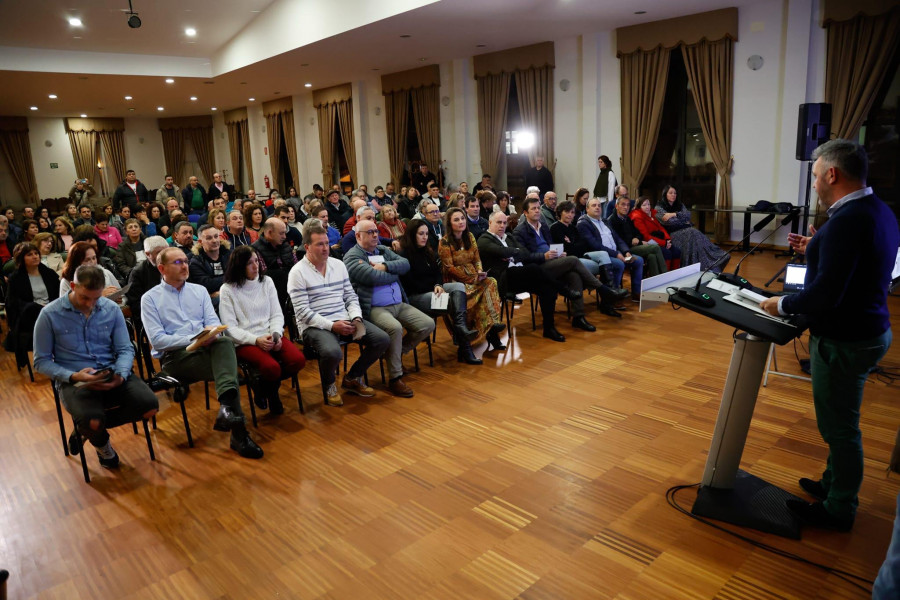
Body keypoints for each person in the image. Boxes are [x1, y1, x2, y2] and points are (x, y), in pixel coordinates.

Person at [759, 139, 898, 531]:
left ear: (832, 174)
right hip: (870, 328)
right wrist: (817, 245)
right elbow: (856, 263)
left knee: (839, 427)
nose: (816, 183)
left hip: (845, 338)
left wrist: (781, 305)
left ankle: (840, 507)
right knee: (842, 420)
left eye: (817, 175)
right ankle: (831, 483)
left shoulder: (847, 220)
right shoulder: (877, 210)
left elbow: (825, 293)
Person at [33, 265, 159, 470]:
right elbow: (41, 361)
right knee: (93, 420)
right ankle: (100, 442)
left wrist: (121, 374)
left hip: (110, 371)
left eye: (96, 298)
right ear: (72, 286)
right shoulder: (49, 314)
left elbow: (126, 349)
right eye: (84, 298)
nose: (90, 304)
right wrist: (73, 376)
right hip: (75, 381)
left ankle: (86, 429)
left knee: (150, 407)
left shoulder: (110, 309)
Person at [142, 247, 263, 459]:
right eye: (177, 263)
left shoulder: (198, 291)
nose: (184, 265)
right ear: (162, 268)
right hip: (175, 359)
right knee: (228, 370)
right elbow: (158, 341)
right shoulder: (150, 299)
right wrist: (197, 338)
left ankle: (230, 414)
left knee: (224, 343)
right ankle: (238, 433)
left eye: (185, 261)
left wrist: (211, 335)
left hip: (206, 350)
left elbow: (213, 323)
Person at [287, 221, 390, 407]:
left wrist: (356, 317)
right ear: (307, 247)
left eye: (327, 243)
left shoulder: (338, 265)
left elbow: (350, 296)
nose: (326, 248)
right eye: (320, 244)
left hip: (344, 318)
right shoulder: (297, 272)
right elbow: (302, 312)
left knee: (382, 339)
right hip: (314, 325)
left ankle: (353, 377)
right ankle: (329, 385)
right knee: (333, 352)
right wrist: (332, 326)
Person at [344, 219, 434, 397]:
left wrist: (385, 266)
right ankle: (395, 378)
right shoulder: (352, 257)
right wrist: (394, 274)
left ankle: (395, 354)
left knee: (427, 323)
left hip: (398, 304)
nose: (375, 235)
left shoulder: (383, 250)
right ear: (358, 236)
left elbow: (405, 264)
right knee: (395, 328)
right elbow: (372, 277)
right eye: (370, 232)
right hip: (375, 308)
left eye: (376, 231)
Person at [219, 245, 306, 415]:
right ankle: (272, 395)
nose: (255, 266)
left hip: (269, 334)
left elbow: (276, 314)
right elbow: (230, 329)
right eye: (249, 263)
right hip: (244, 340)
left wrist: (276, 335)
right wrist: (256, 340)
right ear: (239, 266)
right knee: (271, 368)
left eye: (256, 261)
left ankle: (263, 388)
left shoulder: (266, 281)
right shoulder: (228, 289)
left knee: (298, 360)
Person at [514, 197, 614, 332]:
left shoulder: (543, 227)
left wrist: (557, 253)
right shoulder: (520, 231)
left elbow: (553, 246)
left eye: (538, 208)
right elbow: (524, 257)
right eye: (533, 208)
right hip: (538, 267)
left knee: (574, 275)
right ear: (525, 212)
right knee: (573, 260)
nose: (537, 211)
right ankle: (602, 288)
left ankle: (578, 317)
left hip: (552, 261)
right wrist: (544, 256)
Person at [478, 212, 574, 342]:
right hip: (504, 279)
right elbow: (501, 251)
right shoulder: (484, 239)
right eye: (498, 222)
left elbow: (525, 253)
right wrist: (515, 252)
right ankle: (563, 289)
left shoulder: (509, 237)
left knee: (547, 288)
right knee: (534, 268)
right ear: (490, 223)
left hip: (520, 275)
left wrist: (513, 253)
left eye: (504, 223)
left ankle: (549, 328)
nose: (502, 226)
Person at [399, 219, 480, 364]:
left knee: (458, 287)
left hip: (431, 290)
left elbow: (438, 272)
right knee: (456, 303)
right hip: (416, 297)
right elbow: (410, 283)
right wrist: (433, 286)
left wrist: (438, 284)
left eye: (426, 233)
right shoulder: (404, 255)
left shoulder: (427, 251)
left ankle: (461, 329)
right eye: (420, 234)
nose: (425, 237)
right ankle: (465, 347)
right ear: (412, 235)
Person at [438, 207, 506, 350]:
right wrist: (471, 279)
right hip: (455, 280)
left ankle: (493, 324)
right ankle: (489, 334)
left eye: (462, 218)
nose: (461, 222)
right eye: (456, 219)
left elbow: (477, 259)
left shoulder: (469, 236)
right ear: (450, 223)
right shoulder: (444, 242)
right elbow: (449, 268)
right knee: (476, 292)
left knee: (491, 282)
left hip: (473, 275)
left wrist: (480, 272)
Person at [550, 200, 627, 310]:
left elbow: (582, 246)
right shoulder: (555, 228)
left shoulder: (573, 228)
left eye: (572, 212)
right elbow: (565, 250)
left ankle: (610, 292)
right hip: (569, 261)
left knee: (603, 254)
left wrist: (571, 244)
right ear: (560, 213)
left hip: (581, 256)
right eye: (567, 212)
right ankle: (608, 296)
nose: (570, 215)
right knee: (604, 266)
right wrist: (573, 245)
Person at [578, 197, 645, 301]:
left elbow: (618, 239)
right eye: (593, 205)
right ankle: (613, 296)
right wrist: (616, 254)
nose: (597, 208)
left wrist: (626, 252)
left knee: (638, 260)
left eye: (599, 205)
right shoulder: (583, 223)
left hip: (614, 252)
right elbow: (595, 245)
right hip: (598, 255)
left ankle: (636, 293)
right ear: (587, 209)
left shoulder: (604, 221)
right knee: (619, 263)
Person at [4, 242, 61, 365]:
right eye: (30, 254)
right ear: (21, 258)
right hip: (31, 314)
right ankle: (46, 357)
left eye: (36, 253)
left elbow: (59, 294)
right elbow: (13, 303)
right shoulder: (16, 278)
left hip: (52, 309)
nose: (35, 256)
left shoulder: (49, 273)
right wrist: (38, 307)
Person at [655, 185, 729, 272]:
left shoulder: (679, 205)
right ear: (665, 194)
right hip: (671, 233)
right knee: (693, 233)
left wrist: (674, 214)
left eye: (675, 193)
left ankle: (712, 261)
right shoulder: (659, 207)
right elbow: (669, 222)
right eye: (670, 193)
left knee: (696, 235)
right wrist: (682, 220)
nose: (673, 195)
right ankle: (705, 265)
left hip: (685, 230)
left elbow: (688, 215)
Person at [606, 195, 667, 278]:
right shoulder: (611, 221)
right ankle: (665, 276)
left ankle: (656, 281)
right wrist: (639, 241)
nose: (626, 207)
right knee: (655, 247)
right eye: (623, 205)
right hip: (625, 249)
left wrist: (637, 238)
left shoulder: (627, 218)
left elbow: (638, 233)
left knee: (652, 256)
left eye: (628, 205)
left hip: (634, 245)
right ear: (616, 206)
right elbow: (618, 240)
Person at [251, 217, 297, 303]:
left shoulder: (286, 246)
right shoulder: (255, 250)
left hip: (292, 289)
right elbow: (263, 277)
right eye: (281, 233)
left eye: (285, 233)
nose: (284, 236)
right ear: (269, 233)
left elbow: (297, 267)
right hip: (270, 295)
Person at [630, 197, 682, 271]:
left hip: (660, 240)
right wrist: (664, 243)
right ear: (639, 207)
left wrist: (668, 240)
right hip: (648, 242)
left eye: (648, 204)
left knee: (677, 252)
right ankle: (665, 275)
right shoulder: (637, 217)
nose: (647, 207)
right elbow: (646, 237)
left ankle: (674, 275)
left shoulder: (652, 214)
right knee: (667, 253)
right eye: (644, 205)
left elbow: (661, 228)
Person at [124, 236, 167, 324]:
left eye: (166, 251)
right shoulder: (138, 272)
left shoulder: (174, 265)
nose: (163, 256)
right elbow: (136, 304)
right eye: (158, 252)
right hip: (151, 318)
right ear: (147, 254)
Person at [189, 224, 231, 306]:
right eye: (209, 238)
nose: (214, 240)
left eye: (216, 236)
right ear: (200, 242)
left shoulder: (230, 255)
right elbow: (207, 285)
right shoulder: (195, 262)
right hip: (209, 301)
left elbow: (241, 276)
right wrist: (231, 277)